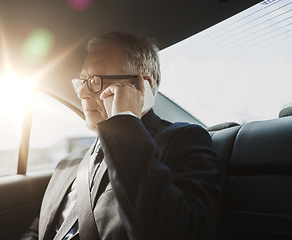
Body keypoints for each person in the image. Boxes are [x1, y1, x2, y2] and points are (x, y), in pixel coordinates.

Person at [21, 31, 220, 240]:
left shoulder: (183, 140)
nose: (81, 93)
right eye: (81, 81)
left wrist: (124, 120)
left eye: (95, 81)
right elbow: (36, 232)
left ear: (143, 87)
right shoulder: (68, 165)